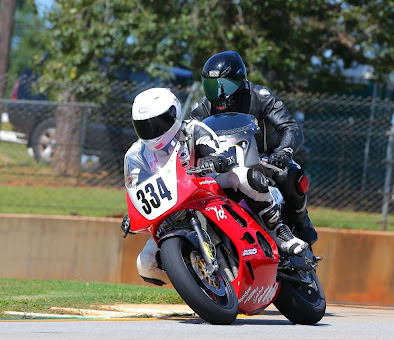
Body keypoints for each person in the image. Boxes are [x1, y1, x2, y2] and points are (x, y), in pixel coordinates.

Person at [122, 87, 308, 285]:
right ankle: (194, 283)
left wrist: (215, 159)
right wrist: (134, 214)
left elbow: (219, 152)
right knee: (145, 264)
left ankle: (279, 230)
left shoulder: (193, 129)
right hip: (172, 210)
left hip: (207, 189)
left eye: (159, 124)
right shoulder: (136, 155)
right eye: (145, 126)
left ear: (174, 115)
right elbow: (139, 189)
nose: (153, 132)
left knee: (245, 177)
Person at [190, 50, 318, 245]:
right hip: (224, 165)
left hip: (266, 160)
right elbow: (189, 139)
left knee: (291, 175)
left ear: (240, 81)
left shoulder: (262, 97)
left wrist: (283, 151)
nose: (219, 93)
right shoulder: (201, 109)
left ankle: (301, 221)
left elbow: (290, 127)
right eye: (212, 86)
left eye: (225, 85)